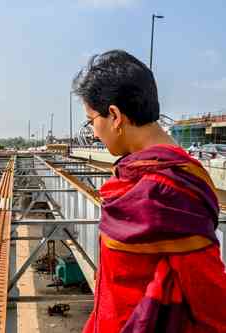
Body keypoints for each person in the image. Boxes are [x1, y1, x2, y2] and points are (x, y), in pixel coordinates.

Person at [72, 50, 226, 332]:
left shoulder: (169, 189)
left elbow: (209, 299)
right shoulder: (174, 178)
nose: (93, 132)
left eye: (91, 120)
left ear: (115, 116)